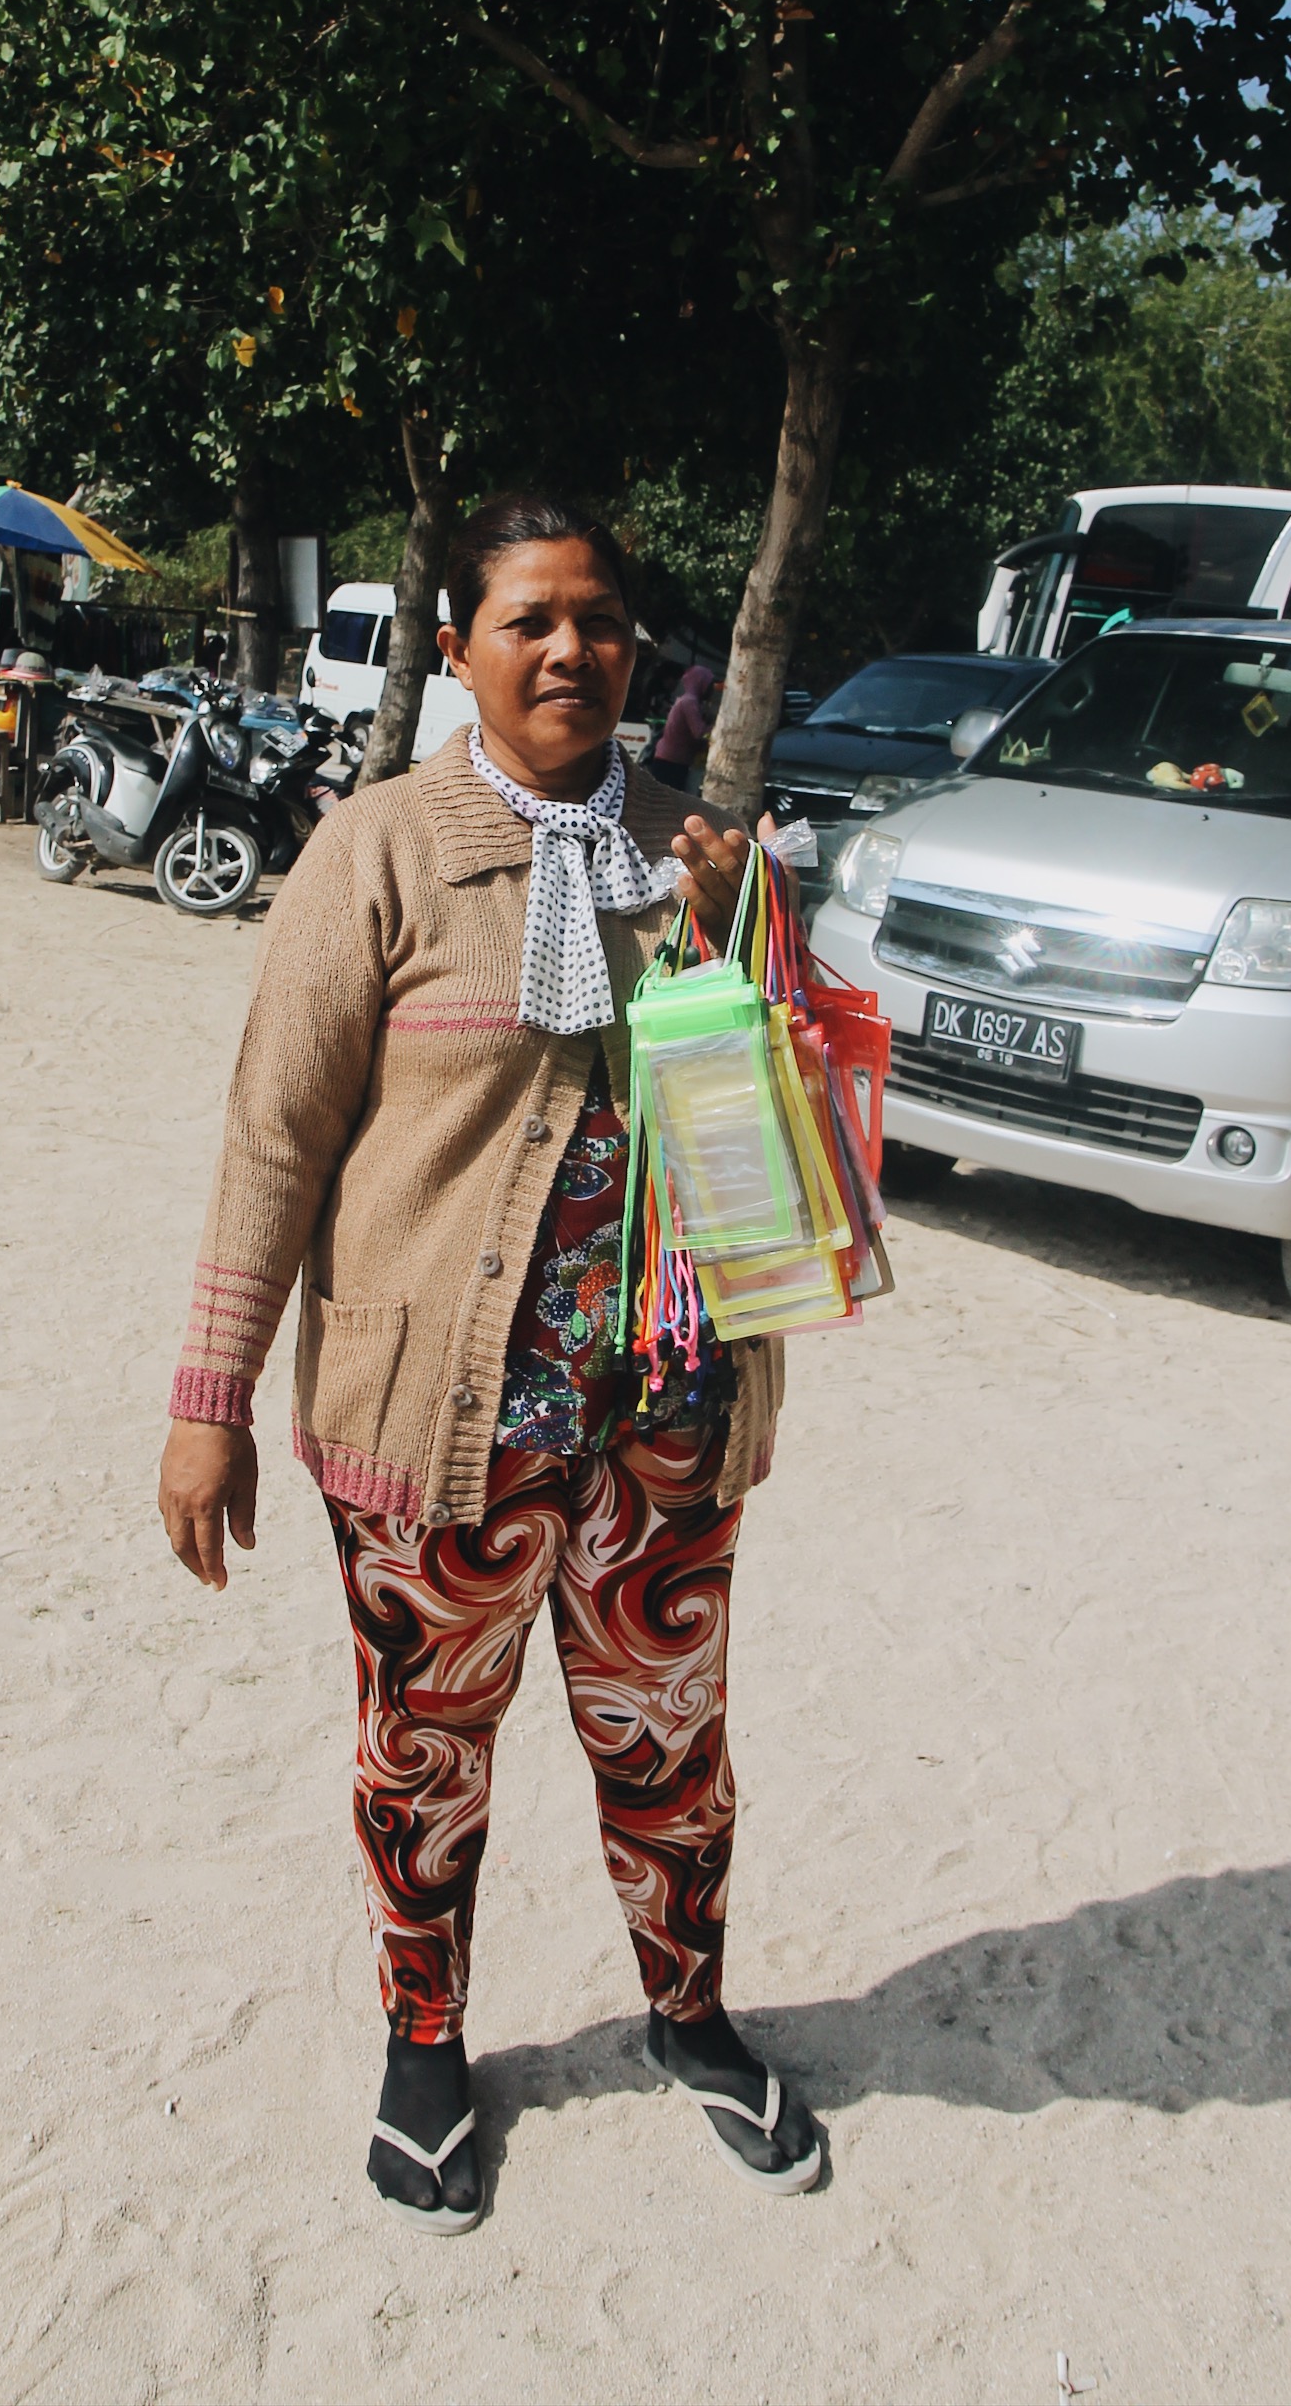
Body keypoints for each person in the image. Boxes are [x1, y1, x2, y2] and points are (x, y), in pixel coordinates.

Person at [158, 493, 820, 2232]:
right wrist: (209, 1400)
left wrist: (744, 940)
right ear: (455, 648)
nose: (570, 649)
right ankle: (425, 2042)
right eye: (529, 619)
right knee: (423, 1753)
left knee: (668, 1744)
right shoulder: (375, 851)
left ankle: (688, 2012)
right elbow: (273, 1140)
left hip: (664, 1420)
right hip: (437, 1424)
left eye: (599, 618)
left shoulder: (700, 849)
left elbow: (773, 1141)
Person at [647, 660, 717, 791]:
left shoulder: (690, 702)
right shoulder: (689, 702)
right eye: (709, 686)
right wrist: (719, 729)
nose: (711, 690)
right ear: (700, 683)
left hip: (676, 761)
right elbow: (699, 732)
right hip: (671, 762)